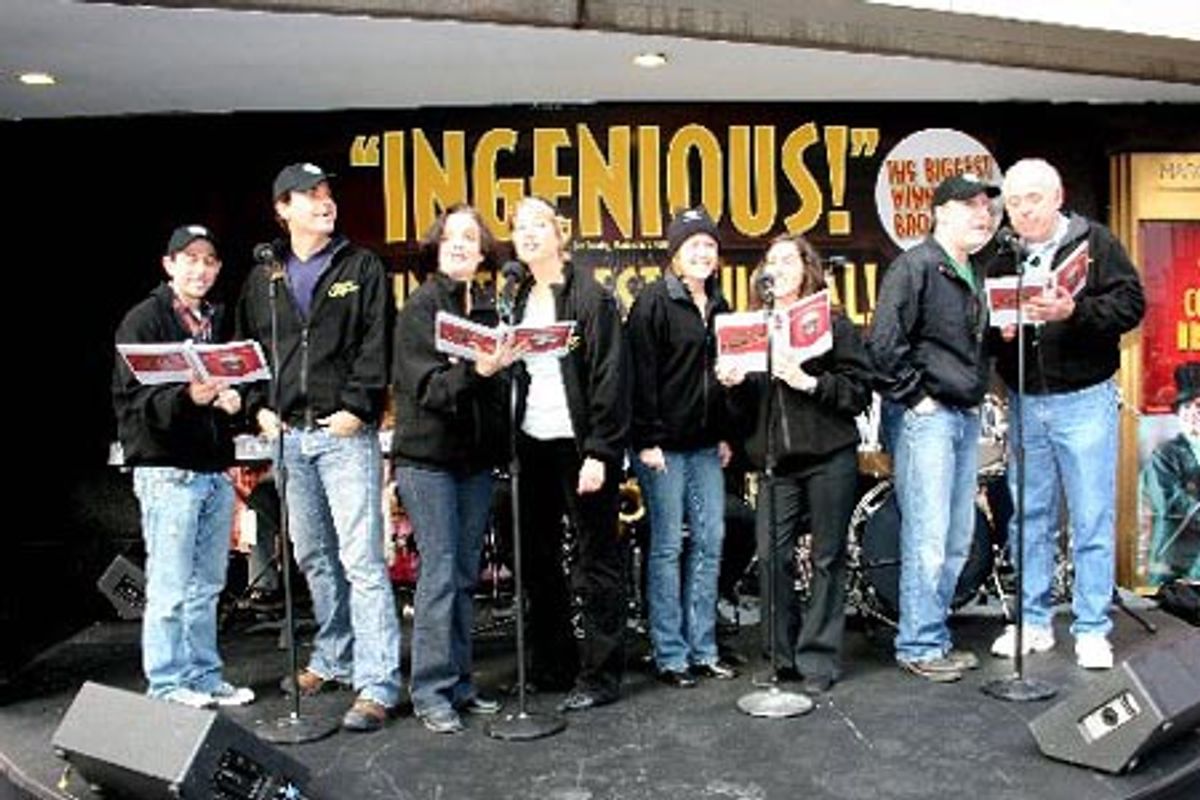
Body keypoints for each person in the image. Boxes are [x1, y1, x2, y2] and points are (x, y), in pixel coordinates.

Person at [236, 162, 402, 731]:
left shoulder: (361, 266)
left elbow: (376, 342)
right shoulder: (263, 277)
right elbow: (248, 349)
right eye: (310, 195)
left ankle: (378, 682)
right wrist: (258, 403)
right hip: (288, 436)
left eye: (327, 193)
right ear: (282, 209)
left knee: (362, 561)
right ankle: (334, 656)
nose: (324, 202)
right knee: (313, 556)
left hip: (342, 436)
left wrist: (358, 408)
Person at [987, 158, 1146, 670]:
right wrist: (1001, 333)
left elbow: (1132, 305)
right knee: (1028, 517)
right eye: (1012, 202)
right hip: (1026, 402)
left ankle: (1092, 625)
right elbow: (988, 331)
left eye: (1031, 199)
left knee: (1091, 515)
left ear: (1056, 197)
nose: (1022, 210)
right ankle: (1032, 621)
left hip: (1085, 399)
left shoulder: (1095, 243)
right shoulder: (1001, 257)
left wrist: (1075, 312)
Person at [718, 234, 872, 694]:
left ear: (808, 269)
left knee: (827, 557)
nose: (778, 268)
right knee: (771, 557)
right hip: (774, 464)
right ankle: (780, 655)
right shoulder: (750, 328)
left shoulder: (836, 325)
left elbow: (858, 392)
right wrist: (733, 384)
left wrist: (808, 382)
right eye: (772, 261)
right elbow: (743, 415)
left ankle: (818, 659)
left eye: (789, 260)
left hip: (829, 456)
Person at [113, 224, 254, 709]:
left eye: (209, 261)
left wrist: (233, 398)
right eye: (189, 259)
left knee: (208, 584)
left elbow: (226, 382)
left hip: (213, 471)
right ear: (168, 264)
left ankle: (203, 675)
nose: (201, 268)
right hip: (167, 471)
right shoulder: (144, 321)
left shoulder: (215, 320)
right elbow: (134, 404)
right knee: (170, 587)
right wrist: (189, 398)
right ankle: (168, 686)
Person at [391, 204, 516, 734]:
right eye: (452, 238)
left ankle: (461, 685)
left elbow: (489, 391)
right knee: (440, 574)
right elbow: (429, 389)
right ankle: (430, 691)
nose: (462, 245)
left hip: (474, 464)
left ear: (484, 250)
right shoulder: (422, 308)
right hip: (428, 462)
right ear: (437, 248)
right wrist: (477, 370)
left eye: (472, 237)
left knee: (465, 575)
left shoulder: (485, 307)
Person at [867, 174, 997, 683]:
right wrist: (916, 397)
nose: (983, 214)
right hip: (929, 417)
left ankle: (933, 634)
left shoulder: (974, 272)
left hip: (962, 415)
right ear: (940, 211)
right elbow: (882, 343)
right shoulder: (915, 265)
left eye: (988, 206)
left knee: (958, 534)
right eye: (971, 205)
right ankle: (919, 642)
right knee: (927, 533)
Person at [509, 195, 630, 712]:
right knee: (537, 561)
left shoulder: (591, 297)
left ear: (561, 233)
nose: (528, 234)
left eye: (538, 224)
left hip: (581, 448)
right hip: (531, 445)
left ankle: (600, 676)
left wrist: (600, 452)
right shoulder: (514, 298)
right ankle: (553, 665)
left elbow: (610, 379)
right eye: (518, 227)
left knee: (595, 560)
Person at [627, 206, 737, 688]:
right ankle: (670, 653)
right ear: (674, 253)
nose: (703, 252)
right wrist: (646, 439)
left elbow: (728, 380)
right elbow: (638, 377)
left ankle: (704, 647)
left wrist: (728, 430)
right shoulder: (652, 302)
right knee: (668, 546)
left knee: (711, 541)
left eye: (710, 245)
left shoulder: (723, 307)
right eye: (693, 244)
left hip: (707, 446)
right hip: (662, 449)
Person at [1142, 362, 1200, 586]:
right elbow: (1169, 502)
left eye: (1199, 406)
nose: (1194, 414)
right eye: (1187, 408)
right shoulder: (1165, 455)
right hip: (1174, 560)